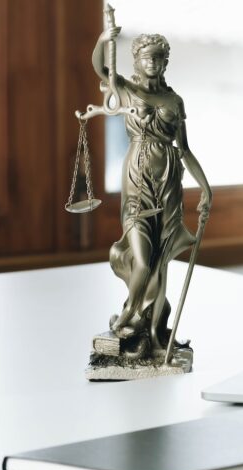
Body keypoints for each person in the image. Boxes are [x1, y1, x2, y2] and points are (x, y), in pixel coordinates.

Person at [90, 26, 212, 357]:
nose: (153, 63)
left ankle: (153, 329)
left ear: (165, 62)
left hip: (169, 183)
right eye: (147, 58)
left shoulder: (174, 100)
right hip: (138, 179)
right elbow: (101, 68)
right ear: (137, 61)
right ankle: (127, 320)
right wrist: (103, 40)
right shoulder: (127, 90)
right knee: (143, 261)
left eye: (158, 58)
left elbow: (185, 150)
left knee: (160, 262)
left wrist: (205, 187)